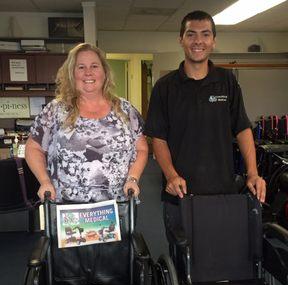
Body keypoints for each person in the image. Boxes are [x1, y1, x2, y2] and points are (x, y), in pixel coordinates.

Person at [145, 10, 266, 242]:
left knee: (220, 261)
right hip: (179, 194)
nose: (198, 41)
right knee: (184, 266)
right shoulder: (165, 87)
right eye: (191, 34)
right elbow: (158, 138)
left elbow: (242, 128)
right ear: (181, 39)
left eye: (205, 34)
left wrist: (253, 173)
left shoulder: (227, 81)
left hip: (223, 192)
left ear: (213, 41)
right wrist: (171, 175)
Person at [25, 42, 148, 203]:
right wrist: (45, 181)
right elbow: (33, 148)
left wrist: (133, 179)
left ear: (104, 72)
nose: (88, 73)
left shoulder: (125, 110)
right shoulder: (55, 110)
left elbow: (141, 149)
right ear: (71, 73)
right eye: (81, 67)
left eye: (94, 66)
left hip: (117, 206)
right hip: (67, 207)